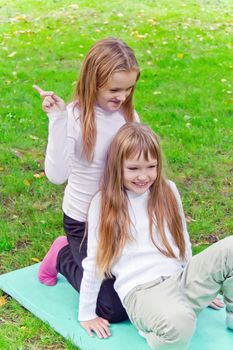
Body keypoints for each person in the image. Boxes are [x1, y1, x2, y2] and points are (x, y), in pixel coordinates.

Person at [78, 122, 233, 349]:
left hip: (179, 279)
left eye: (151, 166)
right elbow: (94, 261)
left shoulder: (168, 190)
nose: (144, 176)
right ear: (116, 167)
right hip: (142, 293)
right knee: (180, 324)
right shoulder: (103, 203)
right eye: (133, 168)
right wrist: (86, 313)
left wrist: (202, 286)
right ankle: (157, 329)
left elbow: (182, 241)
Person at [33, 37, 140, 323]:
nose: (123, 97)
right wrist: (57, 120)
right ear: (93, 82)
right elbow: (56, 176)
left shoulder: (128, 115)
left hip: (119, 218)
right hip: (83, 224)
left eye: (129, 88)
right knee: (113, 309)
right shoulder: (75, 118)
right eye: (115, 90)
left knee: (136, 289)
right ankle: (62, 255)